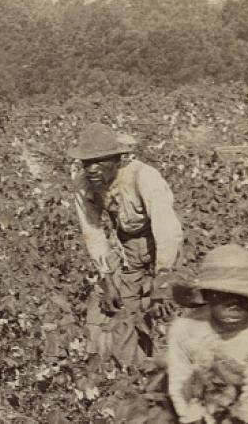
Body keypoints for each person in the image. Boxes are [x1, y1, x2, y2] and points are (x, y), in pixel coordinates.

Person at [68, 123, 184, 366]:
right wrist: (107, 279)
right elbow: (93, 232)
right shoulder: (84, 185)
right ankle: (135, 372)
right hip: (129, 250)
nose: (92, 169)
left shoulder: (143, 177)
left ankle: (171, 374)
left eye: (99, 161)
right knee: (123, 314)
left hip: (163, 248)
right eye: (87, 163)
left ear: (117, 160)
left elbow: (166, 228)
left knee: (165, 314)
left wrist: (162, 278)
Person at [166, 244, 248, 423]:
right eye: (224, 297)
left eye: (244, 299)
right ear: (207, 296)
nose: (234, 307)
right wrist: (193, 418)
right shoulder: (185, 328)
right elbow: (180, 382)